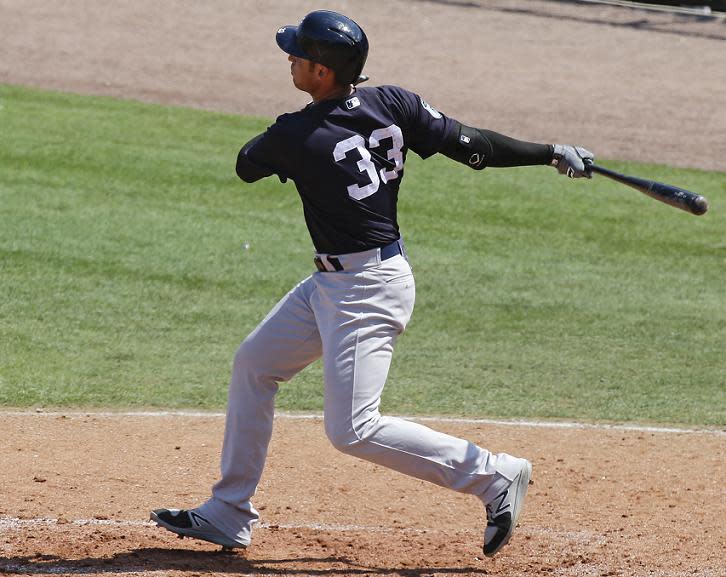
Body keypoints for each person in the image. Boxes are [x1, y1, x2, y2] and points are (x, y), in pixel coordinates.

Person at [151, 9, 593, 557]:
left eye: (298, 53)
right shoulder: (394, 103)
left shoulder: (298, 132)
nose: (289, 57)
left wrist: (288, 138)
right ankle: (228, 511)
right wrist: (548, 153)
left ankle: (492, 475)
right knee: (255, 363)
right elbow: (473, 146)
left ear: (321, 71)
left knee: (353, 429)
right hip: (342, 282)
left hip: (364, 290)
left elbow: (246, 164)